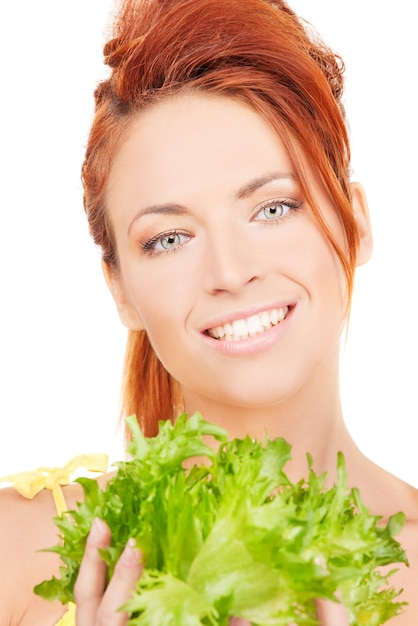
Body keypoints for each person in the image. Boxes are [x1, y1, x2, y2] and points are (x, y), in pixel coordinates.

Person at [0, 0, 417, 625]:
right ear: (119, 289)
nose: (230, 272)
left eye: (274, 208)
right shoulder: (21, 554)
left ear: (355, 222)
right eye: (169, 238)